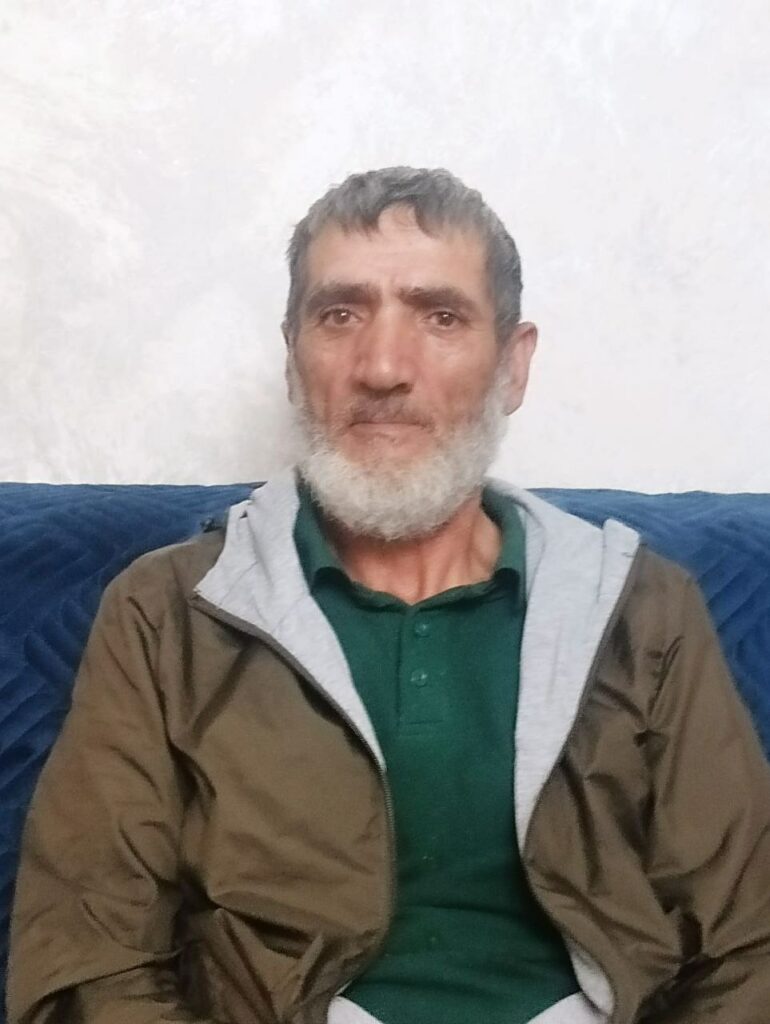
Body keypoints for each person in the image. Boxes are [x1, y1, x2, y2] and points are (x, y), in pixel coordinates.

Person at [8, 167, 770, 1024]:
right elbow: (88, 957)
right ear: (293, 356)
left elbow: (748, 943)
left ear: (513, 365)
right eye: (340, 314)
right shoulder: (166, 613)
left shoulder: (642, 606)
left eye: (440, 316)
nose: (381, 367)